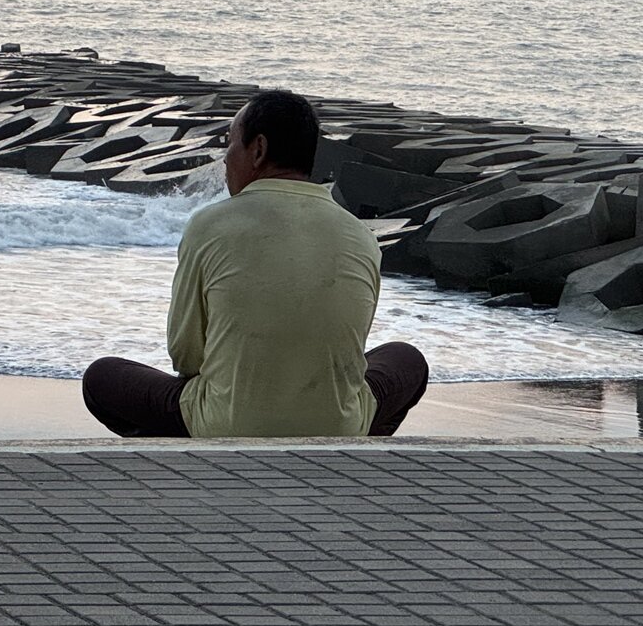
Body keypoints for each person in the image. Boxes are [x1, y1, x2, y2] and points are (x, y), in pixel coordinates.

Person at [82, 89, 427, 438]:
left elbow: (186, 355)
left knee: (103, 378)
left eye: (230, 144)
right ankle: (346, 449)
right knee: (406, 360)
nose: (225, 160)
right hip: (339, 424)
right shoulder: (360, 234)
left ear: (258, 150)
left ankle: (193, 454)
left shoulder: (209, 225)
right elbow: (347, 351)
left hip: (226, 423)